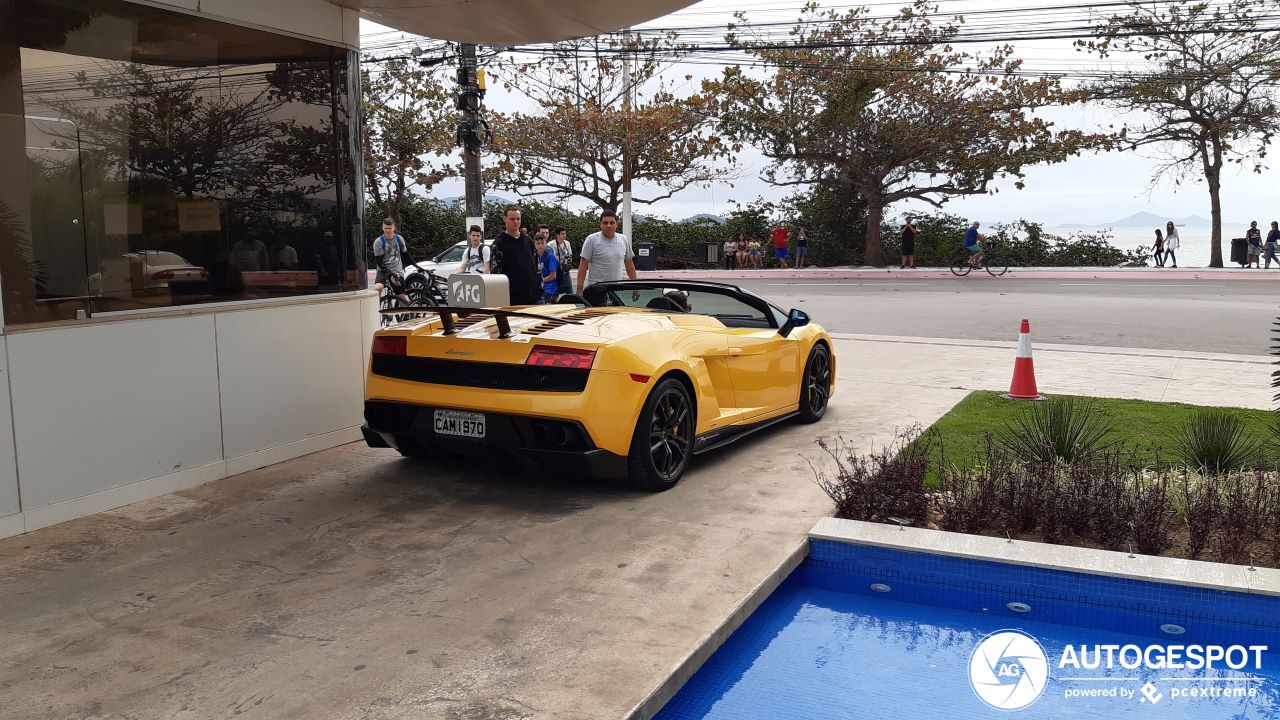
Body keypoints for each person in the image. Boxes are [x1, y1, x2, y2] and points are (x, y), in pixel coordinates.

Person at [492, 205, 541, 305]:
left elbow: (537, 268)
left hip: (533, 298)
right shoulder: (498, 245)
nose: (516, 222)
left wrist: (539, 289)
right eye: (512, 219)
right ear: (505, 219)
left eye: (518, 219)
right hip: (511, 301)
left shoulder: (529, 241)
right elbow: (495, 276)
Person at [577, 209, 638, 289]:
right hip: (596, 289)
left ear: (616, 224)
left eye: (612, 223)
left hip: (616, 289)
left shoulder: (623, 239)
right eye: (605, 223)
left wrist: (635, 288)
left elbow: (630, 266)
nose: (608, 225)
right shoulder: (591, 240)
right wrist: (579, 289)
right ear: (600, 224)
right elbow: (583, 267)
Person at [372, 217, 414, 307]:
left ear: (394, 228)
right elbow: (379, 262)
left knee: (403, 298)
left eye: (390, 228)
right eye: (385, 228)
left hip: (397, 271)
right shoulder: (379, 242)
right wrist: (390, 274)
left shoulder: (399, 239)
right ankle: (375, 309)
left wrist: (415, 265)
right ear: (382, 228)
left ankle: (405, 316)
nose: (387, 230)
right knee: (377, 288)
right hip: (383, 270)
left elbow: (405, 254)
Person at [534, 233, 559, 304]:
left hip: (549, 288)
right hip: (540, 287)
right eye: (538, 243)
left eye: (542, 243)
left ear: (546, 243)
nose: (540, 246)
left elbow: (553, 275)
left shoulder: (550, 256)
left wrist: (540, 281)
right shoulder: (535, 256)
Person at [552, 228, 574, 295]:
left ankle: (570, 304)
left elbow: (570, 255)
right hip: (556, 272)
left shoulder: (567, 243)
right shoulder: (551, 244)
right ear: (557, 235)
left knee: (570, 291)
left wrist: (568, 260)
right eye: (562, 233)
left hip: (565, 271)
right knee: (555, 292)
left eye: (565, 233)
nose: (564, 235)